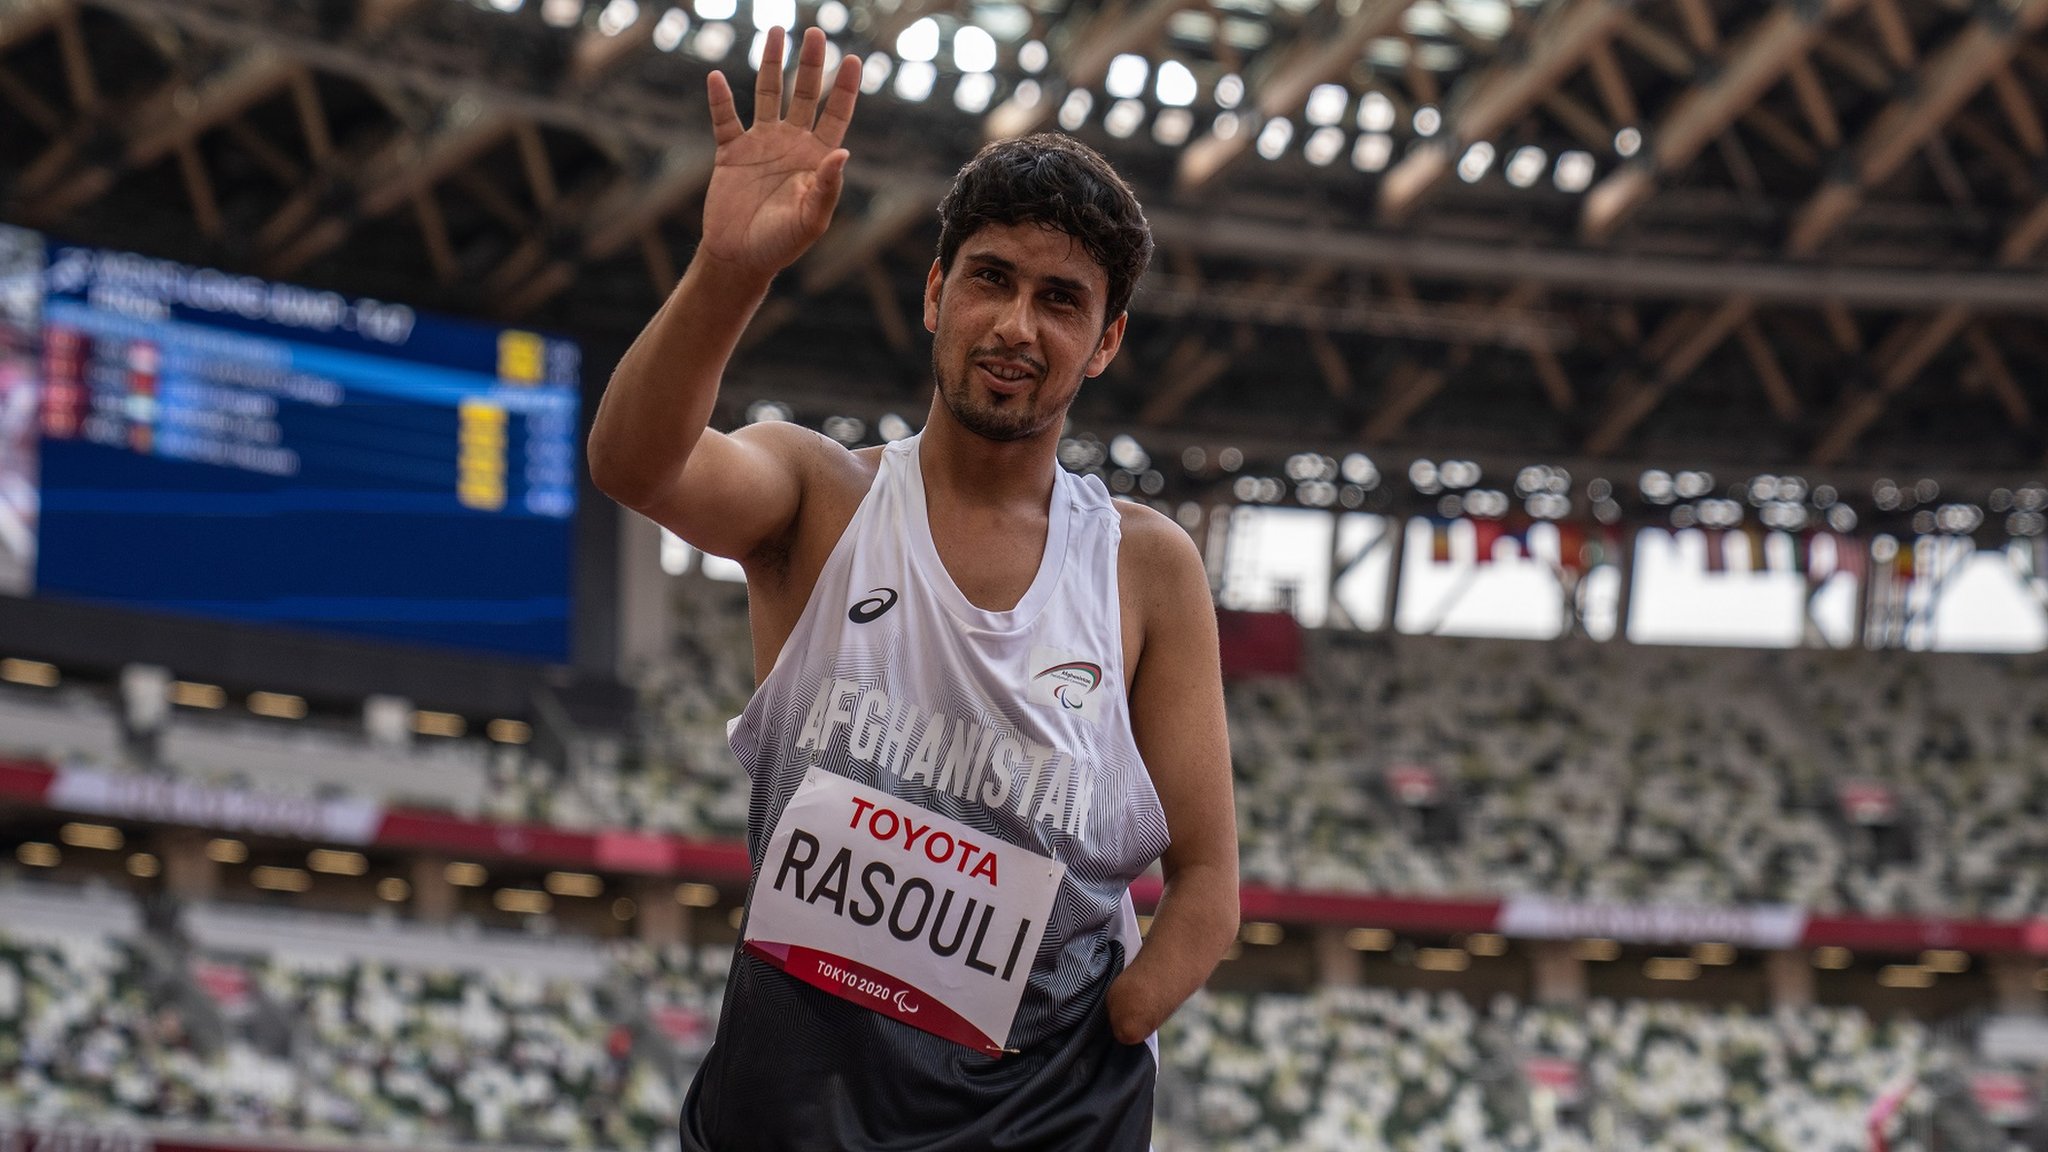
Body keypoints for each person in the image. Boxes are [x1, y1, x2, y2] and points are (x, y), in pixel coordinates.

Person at [588, 25, 1238, 1149]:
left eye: (1060, 300)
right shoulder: (819, 496)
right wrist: (730, 270)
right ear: (935, 291)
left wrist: (1108, 1027)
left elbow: (1209, 877)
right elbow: (635, 465)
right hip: (792, 1113)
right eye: (990, 279)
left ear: (1104, 341)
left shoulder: (1142, 567)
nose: (1016, 325)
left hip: (1046, 1122)